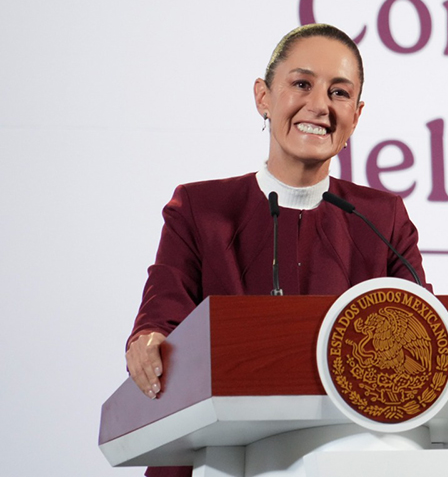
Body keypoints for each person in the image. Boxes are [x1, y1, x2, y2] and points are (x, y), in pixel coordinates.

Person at [124, 24, 429, 476]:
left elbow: (423, 330)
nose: (320, 105)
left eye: (339, 93)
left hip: (346, 457)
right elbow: (162, 315)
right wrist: (148, 342)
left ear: (356, 115)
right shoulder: (200, 209)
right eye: (302, 84)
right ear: (263, 97)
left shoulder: (381, 219)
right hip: (215, 457)